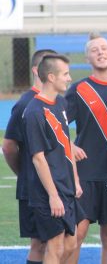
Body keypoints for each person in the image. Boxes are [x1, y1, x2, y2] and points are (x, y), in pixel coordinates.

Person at [64, 32, 107, 264]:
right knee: (76, 235)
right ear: (87, 58)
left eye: (104, 48)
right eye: (95, 50)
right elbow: (54, 123)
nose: (101, 52)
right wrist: (69, 145)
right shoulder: (79, 89)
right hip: (85, 174)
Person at [23, 54, 82, 263]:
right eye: (65, 74)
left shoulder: (60, 103)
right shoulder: (34, 111)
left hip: (65, 187)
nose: (69, 78)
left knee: (70, 243)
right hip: (48, 191)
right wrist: (53, 195)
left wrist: (74, 179)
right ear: (51, 77)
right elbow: (38, 158)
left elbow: (67, 143)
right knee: (55, 246)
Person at [2, 49, 57, 264]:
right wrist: (24, 174)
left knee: (59, 241)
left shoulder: (55, 102)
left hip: (57, 185)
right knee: (40, 243)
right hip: (35, 188)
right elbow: (8, 147)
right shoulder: (26, 104)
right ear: (37, 70)